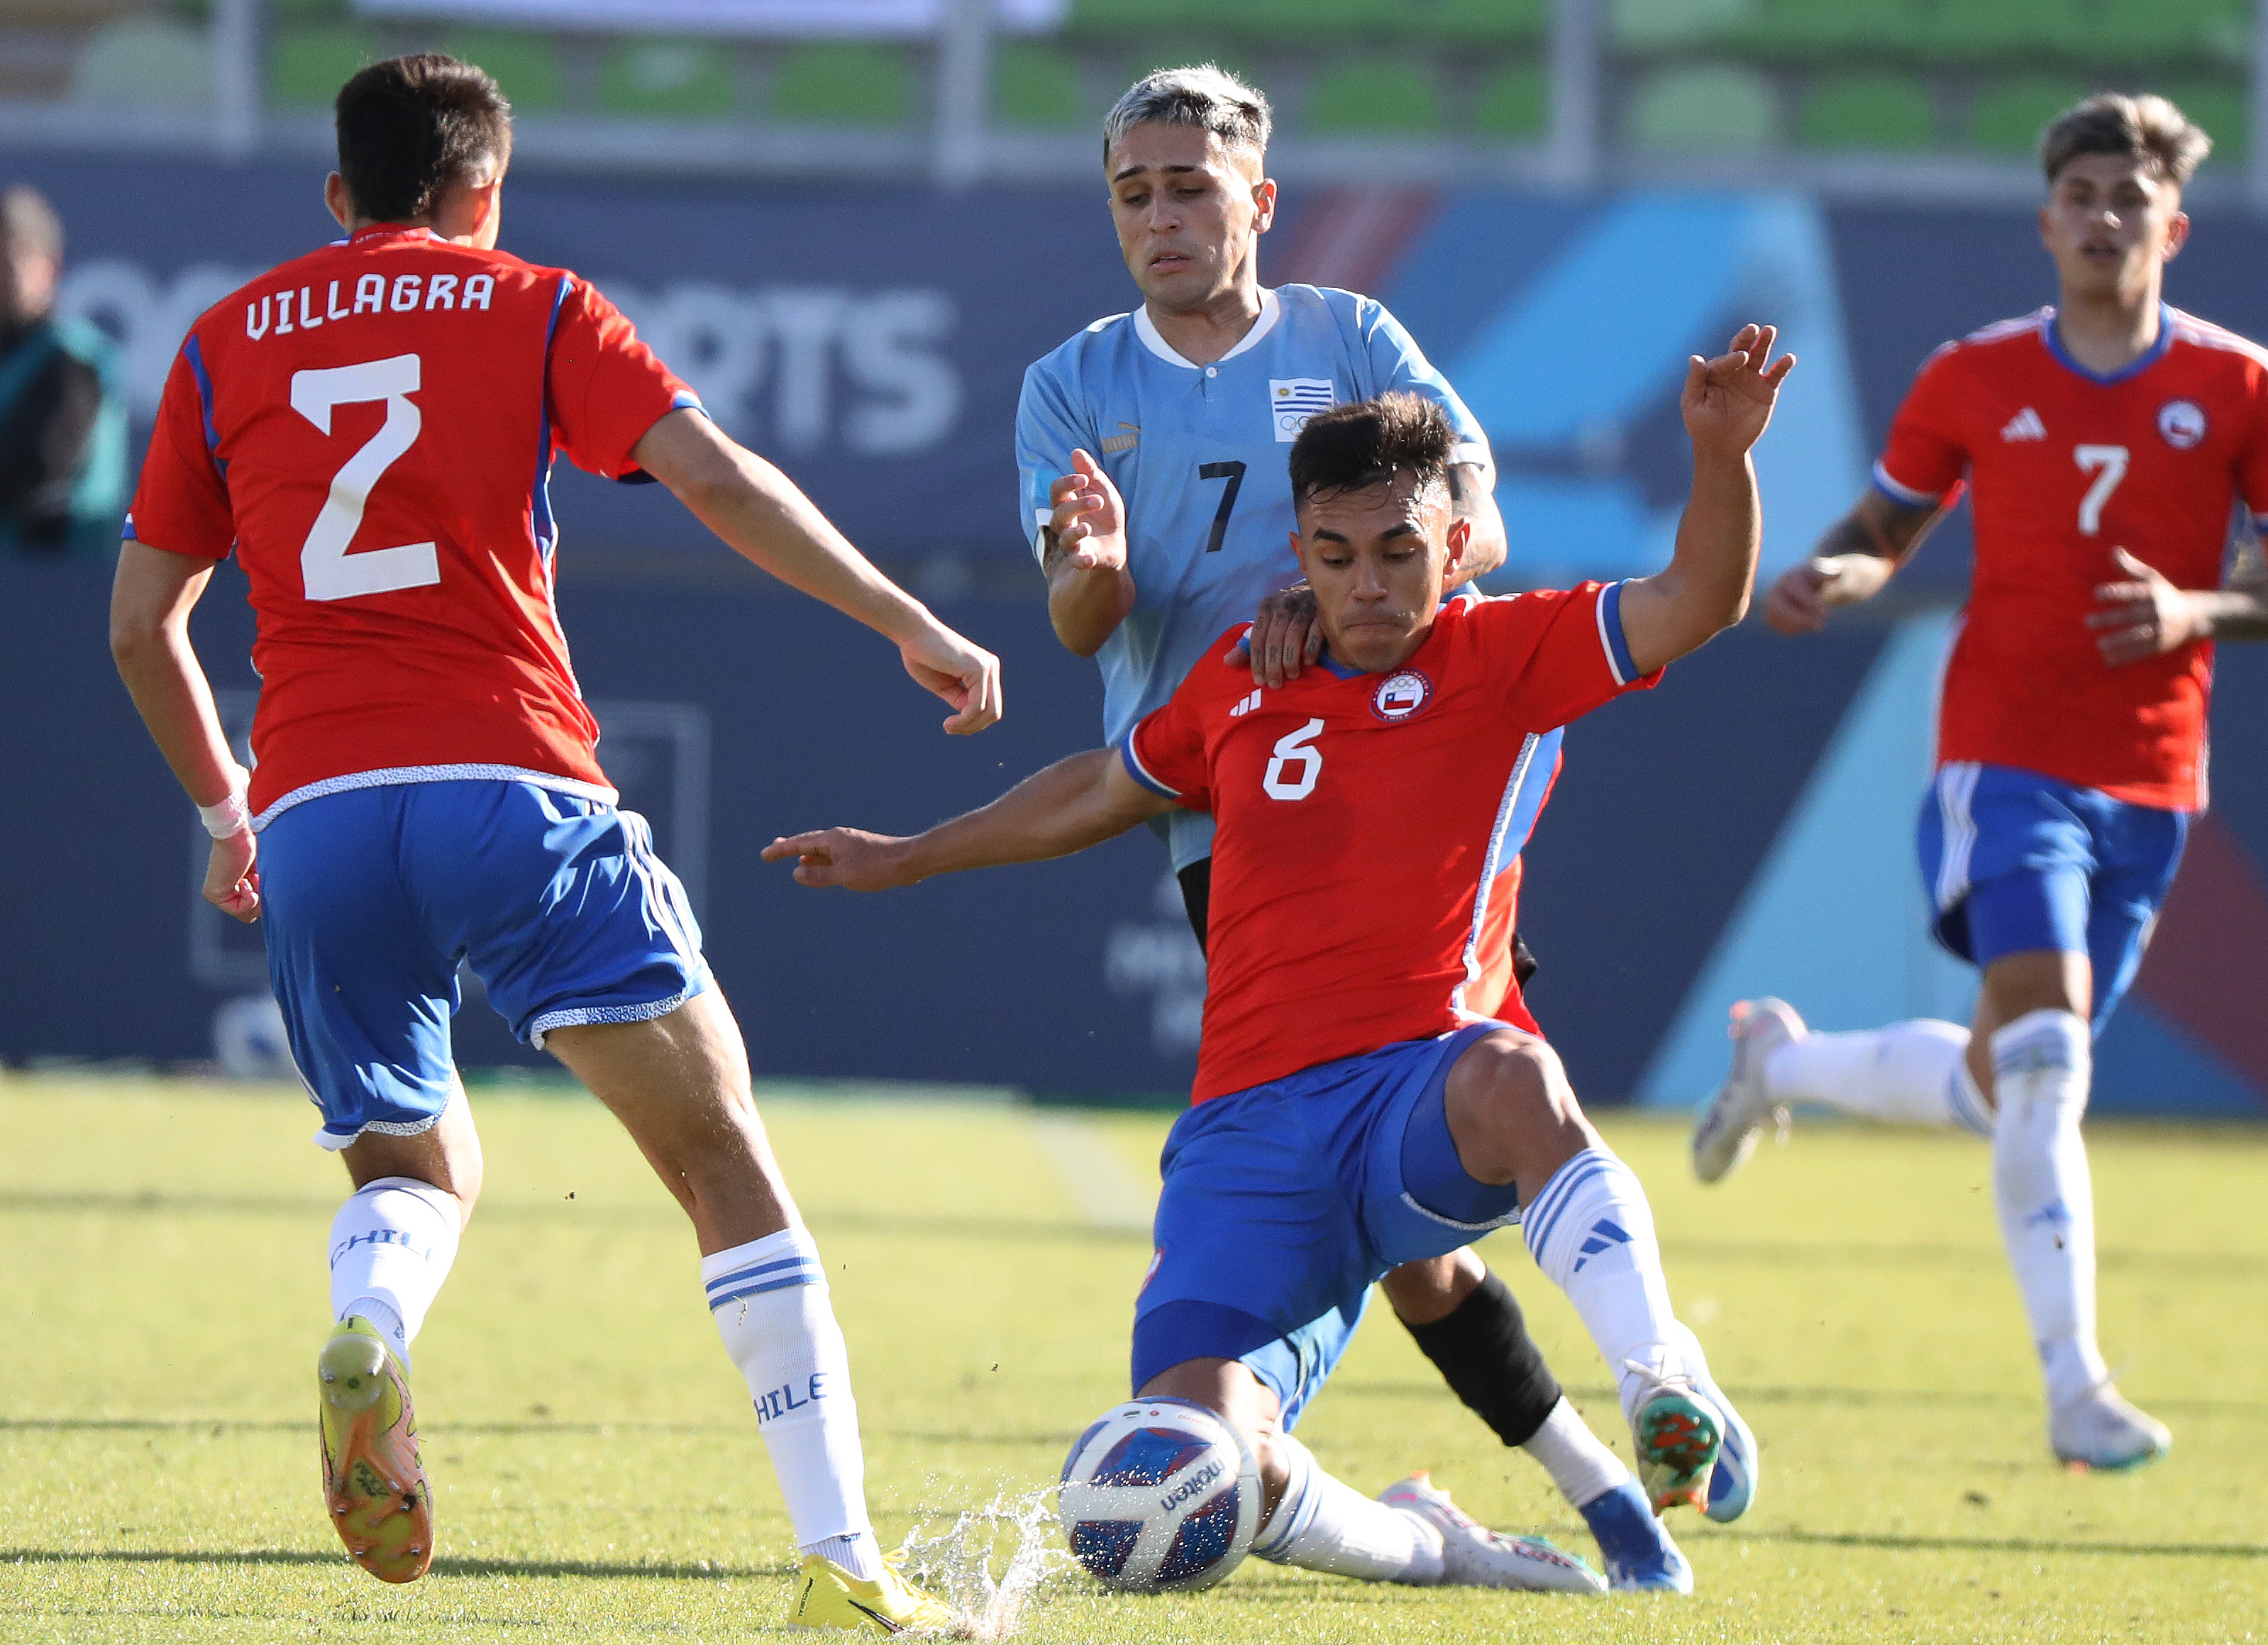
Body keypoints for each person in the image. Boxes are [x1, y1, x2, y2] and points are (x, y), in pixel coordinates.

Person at [106, 55, 996, 1632]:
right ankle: (843, 1555)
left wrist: (229, 810)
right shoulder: (532, 303)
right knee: (719, 1155)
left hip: (316, 816)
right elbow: (711, 475)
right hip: (513, 789)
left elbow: (138, 629)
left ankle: (374, 1326)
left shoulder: (218, 340)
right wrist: (903, 615)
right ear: (484, 193)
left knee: (416, 1162)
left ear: (339, 196)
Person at [773, 340, 1792, 1595]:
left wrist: (1718, 455)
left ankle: (1661, 1376)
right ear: (1298, 550)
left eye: (1397, 552)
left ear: (1455, 538)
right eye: (1335, 554)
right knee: (1184, 1469)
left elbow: (1699, 596)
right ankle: (1447, 1549)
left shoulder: (1506, 656)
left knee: (1515, 1079)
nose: (1366, 584)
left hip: (1417, 1093)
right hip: (1246, 1140)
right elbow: (1100, 785)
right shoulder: (1241, 679)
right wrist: (909, 855)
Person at [1013, 63, 1703, 1584]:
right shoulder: (1068, 384)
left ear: (1255, 200)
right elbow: (1077, 625)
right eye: (1132, 192)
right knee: (1416, 1220)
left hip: (1402, 770)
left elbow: (1482, 527)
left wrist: (1327, 614)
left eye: (1188, 186)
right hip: (1227, 817)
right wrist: (1097, 572)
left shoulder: (1348, 339)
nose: (1159, 217)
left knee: (1432, 1178)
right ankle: (1572, 1494)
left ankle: (1583, 1462)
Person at [1691, 94, 2268, 1471]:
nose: (2104, 218)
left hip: (2153, 779)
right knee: (2046, 1060)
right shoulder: (1971, 376)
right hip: (2005, 756)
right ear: (2044, 221)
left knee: (2005, 1083)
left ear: (2172, 222)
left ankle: (1779, 1058)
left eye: (2129, 197)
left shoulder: (2245, 387)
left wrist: (2190, 611)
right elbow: (1880, 532)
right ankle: (2072, 1386)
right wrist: (1833, 574)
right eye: (2081, 195)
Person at [0, 182, 126, 553]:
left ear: (50, 266)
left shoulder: (74, 361)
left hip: (60, 588)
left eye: (7, 261)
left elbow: (34, 474)